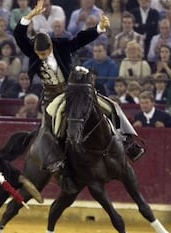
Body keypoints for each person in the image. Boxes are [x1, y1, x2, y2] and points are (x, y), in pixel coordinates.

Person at [14, 0, 145, 163]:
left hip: (73, 90)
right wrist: (29, 16)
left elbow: (80, 39)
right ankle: (56, 158)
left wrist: (99, 28)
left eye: (45, 53)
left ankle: (128, 143)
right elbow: (19, 35)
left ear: (51, 46)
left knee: (111, 106)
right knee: (55, 121)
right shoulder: (32, 50)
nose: (41, 56)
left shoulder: (61, 46)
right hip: (52, 95)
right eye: (39, 54)